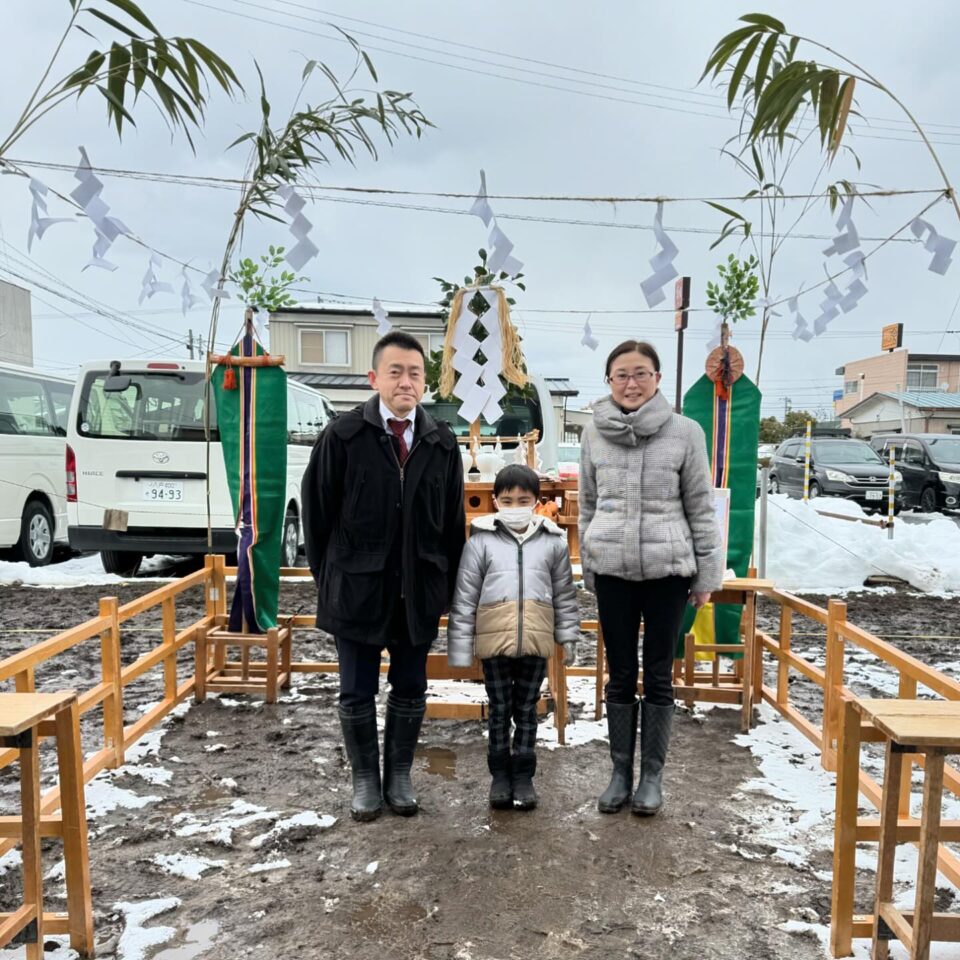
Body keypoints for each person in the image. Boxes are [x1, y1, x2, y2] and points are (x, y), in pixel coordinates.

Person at [302, 331, 466, 822]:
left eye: (415, 373)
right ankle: (365, 780)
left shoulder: (441, 442)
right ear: (374, 379)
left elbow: (452, 525)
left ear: (425, 383)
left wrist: (449, 588)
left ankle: (398, 775)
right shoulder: (344, 436)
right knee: (355, 688)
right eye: (395, 372)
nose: (405, 382)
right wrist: (331, 580)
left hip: (417, 590)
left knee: (411, 686)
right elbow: (317, 516)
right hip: (357, 588)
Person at [579, 340, 722, 817]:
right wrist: (591, 560)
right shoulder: (593, 434)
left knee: (659, 671)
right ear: (609, 381)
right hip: (613, 571)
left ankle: (652, 777)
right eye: (621, 374)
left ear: (658, 379)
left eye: (641, 373)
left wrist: (706, 575)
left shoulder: (685, 432)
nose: (631, 383)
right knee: (619, 673)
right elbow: (588, 505)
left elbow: (701, 507)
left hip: (667, 573)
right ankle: (620, 772)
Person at [447, 464, 579, 810]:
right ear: (496, 501)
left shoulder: (553, 541)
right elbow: (465, 596)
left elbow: (564, 593)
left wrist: (568, 636)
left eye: (524, 499)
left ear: (537, 501)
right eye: (508, 499)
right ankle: (499, 776)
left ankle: (523, 775)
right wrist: (461, 648)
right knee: (499, 709)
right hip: (494, 640)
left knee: (526, 709)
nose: (515, 505)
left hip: (537, 638)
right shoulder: (480, 541)